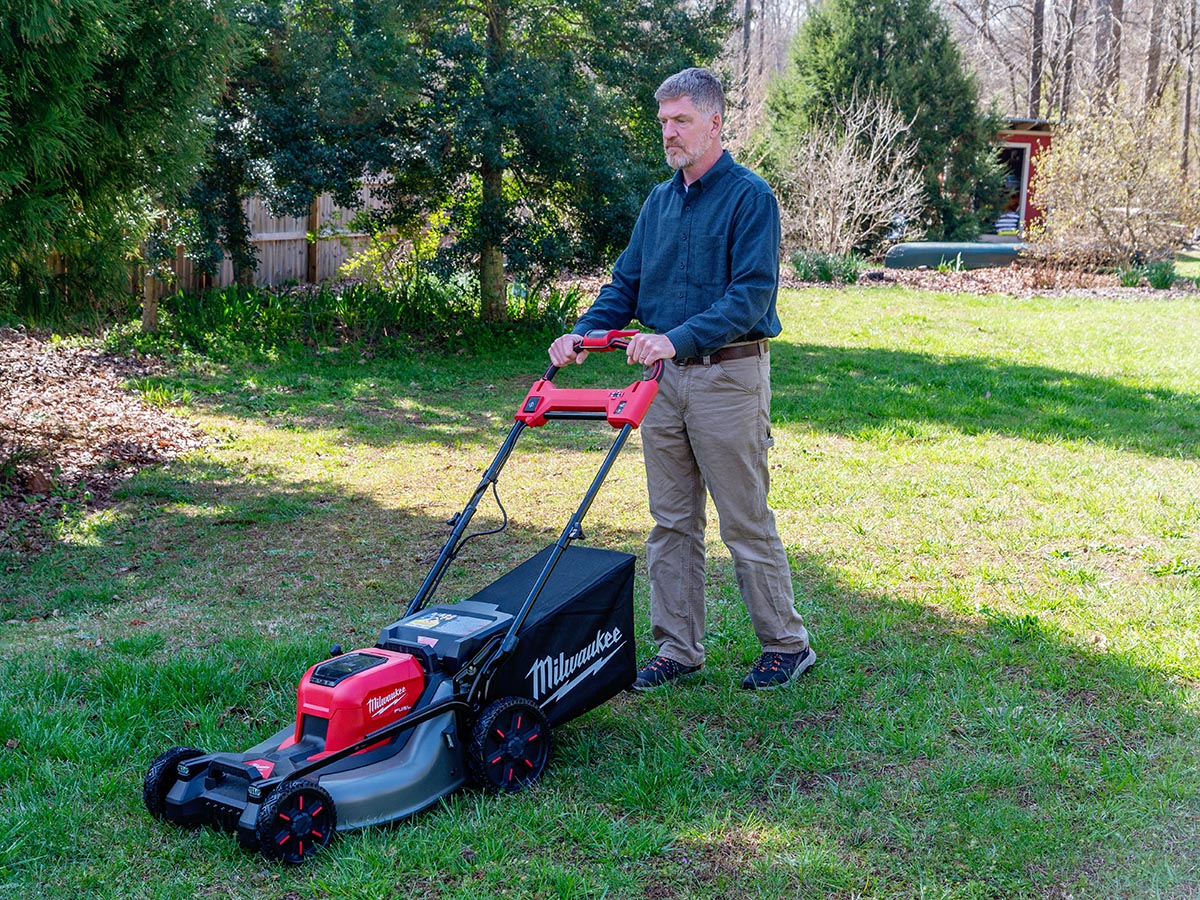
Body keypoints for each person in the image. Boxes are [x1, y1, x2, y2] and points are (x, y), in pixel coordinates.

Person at [548, 67, 815, 691]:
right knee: (671, 521)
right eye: (663, 121)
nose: (669, 132)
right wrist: (583, 336)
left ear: (715, 123)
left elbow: (750, 296)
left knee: (743, 518)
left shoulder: (751, 198)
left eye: (681, 121)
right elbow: (625, 284)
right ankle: (678, 648)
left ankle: (784, 642)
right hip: (662, 385)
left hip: (728, 377)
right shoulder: (659, 202)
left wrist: (675, 337)